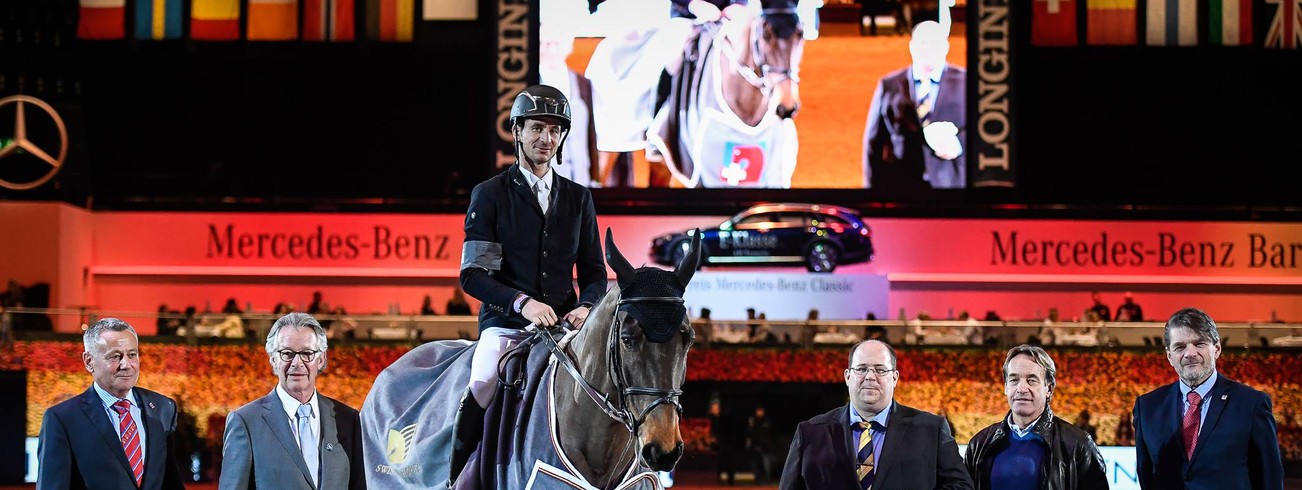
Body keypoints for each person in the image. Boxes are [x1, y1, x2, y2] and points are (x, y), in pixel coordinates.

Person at [452, 84, 606, 486]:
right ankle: (461, 475)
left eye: (555, 130)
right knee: (483, 381)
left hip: (565, 329)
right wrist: (522, 303)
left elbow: (594, 272)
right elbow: (474, 275)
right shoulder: (490, 195)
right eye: (537, 128)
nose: (546, 138)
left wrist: (586, 306)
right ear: (517, 131)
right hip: (506, 325)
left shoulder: (578, 198)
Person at [780, 340, 973, 489]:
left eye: (880, 370)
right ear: (847, 376)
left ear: (894, 378)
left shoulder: (931, 430)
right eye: (861, 369)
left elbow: (961, 486)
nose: (870, 377)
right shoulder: (810, 433)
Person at [1133, 307, 1284, 489]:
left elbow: (1270, 478)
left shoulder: (1251, 404)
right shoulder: (1147, 408)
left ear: (1217, 349)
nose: (1190, 353)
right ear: (1169, 356)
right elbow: (1146, 475)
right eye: (1180, 347)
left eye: (1199, 344)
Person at [219, 312, 365, 490]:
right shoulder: (246, 422)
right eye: (287, 353)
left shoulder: (348, 419)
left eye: (307, 353)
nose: (297, 362)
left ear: (321, 360)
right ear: (273, 359)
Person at [37, 317, 187, 490]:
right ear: (88, 361)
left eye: (132, 355)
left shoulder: (163, 408)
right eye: (115, 356)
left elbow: (170, 481)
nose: (126, 365)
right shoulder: (62, 419)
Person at [964, 344, 1107, 490]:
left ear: (1049, 389)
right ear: (1006, 387)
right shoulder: (979, 444)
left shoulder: (1078, 444)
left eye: (1031, 380)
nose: (1021, 388)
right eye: (1014, 380)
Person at [862, 17, 966, 192]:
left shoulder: (966, 83)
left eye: (934, 43)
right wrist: (870, 191)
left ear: (946, 47)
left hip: (952, 186)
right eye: (923, 43)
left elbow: (984, 136)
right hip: (901, 186)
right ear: (911, 47)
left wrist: (959, 146)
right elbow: (873, 141)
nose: (928, 49)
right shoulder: (889, 85)